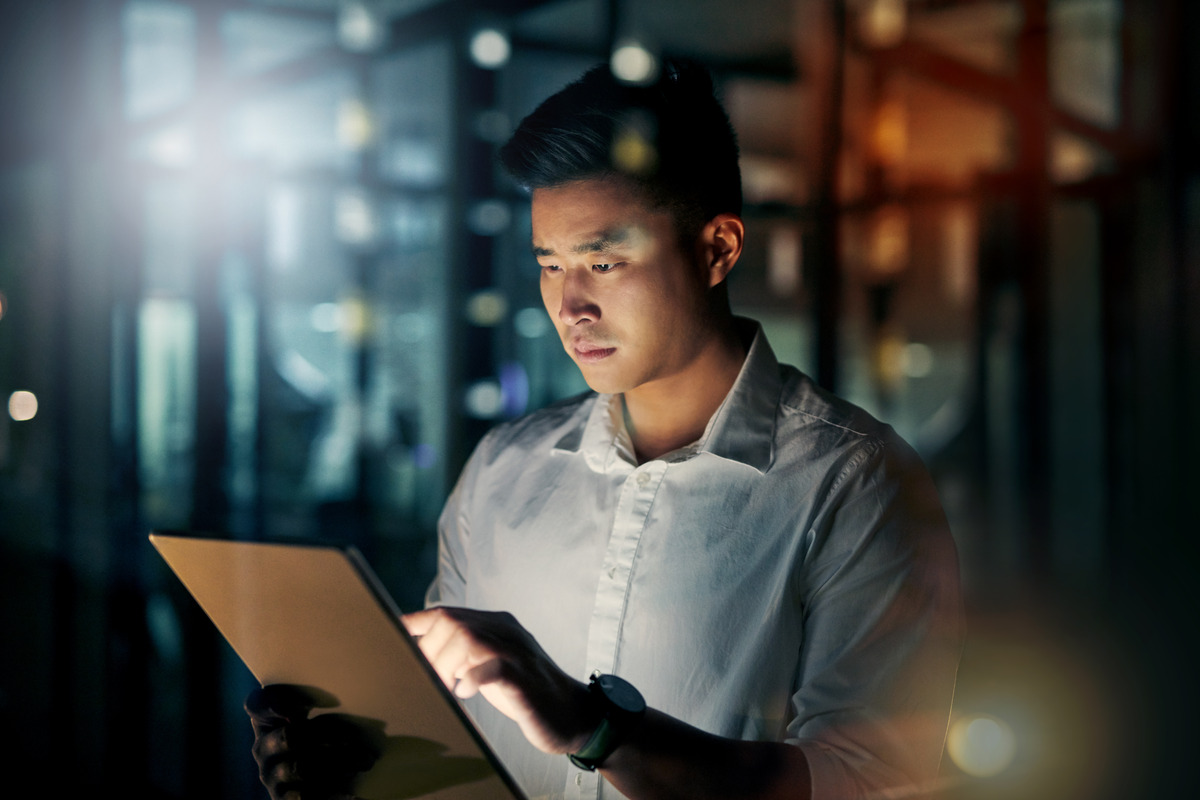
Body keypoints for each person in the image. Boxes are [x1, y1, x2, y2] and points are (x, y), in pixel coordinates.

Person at [247, 59, 963, 800]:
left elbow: (871, 781)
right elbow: (449, 752)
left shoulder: (853, 481)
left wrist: (596, 728)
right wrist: (358, 765)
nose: (570, 306)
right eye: (551, 265)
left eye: (604, 261)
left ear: (717, 248)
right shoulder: (501, 473)